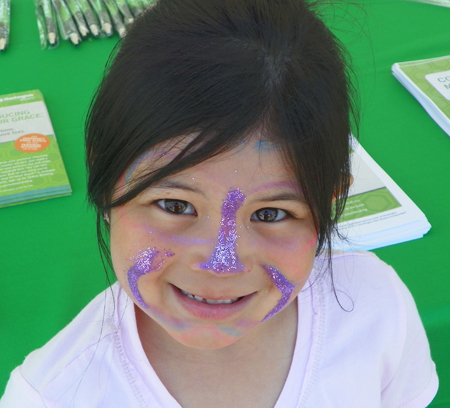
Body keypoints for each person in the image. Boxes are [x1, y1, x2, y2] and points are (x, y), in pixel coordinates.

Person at [0, 0, 438, 406]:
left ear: (330, 201)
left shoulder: (377, 309)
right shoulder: (52, 396)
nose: (220, 262)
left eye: (271, 214)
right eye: (174, 205)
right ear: (104, 175)